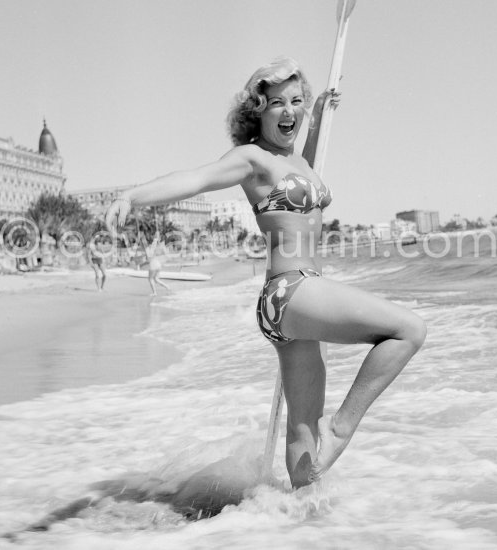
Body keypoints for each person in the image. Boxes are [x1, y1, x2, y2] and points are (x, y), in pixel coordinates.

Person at [106, 57, 426, 488]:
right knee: (408, 330)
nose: (289, 110)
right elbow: (196, 179)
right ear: (258, 110)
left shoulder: (299, 162)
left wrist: (321, 113)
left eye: (297, 101)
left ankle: (297, 517)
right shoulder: (252, 158)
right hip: (292, 290)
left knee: (302, 428)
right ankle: (342, 430)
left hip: (289, 304)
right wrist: (133, 197)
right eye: (277, 103)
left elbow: (304, 167)